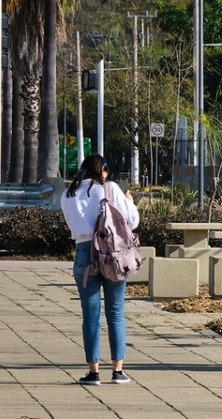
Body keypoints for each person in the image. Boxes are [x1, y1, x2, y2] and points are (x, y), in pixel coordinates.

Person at [61, 154, 139, 386]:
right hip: (111, 253)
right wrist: (130, 201)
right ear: (102, 169)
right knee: (115, 312)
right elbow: (131, 221)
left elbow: (72, 226)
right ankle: (118, 371)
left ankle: (93, 372)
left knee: (90, 315)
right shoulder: (110, 188)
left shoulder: (68, 194)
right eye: (106, 169)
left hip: (84, 253)